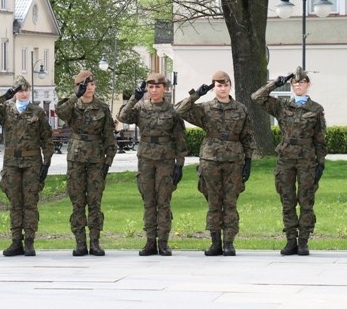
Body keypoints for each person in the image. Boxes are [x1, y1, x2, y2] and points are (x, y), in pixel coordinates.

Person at [175, 71, 255, 256]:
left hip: (234, 161)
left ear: (230, 86)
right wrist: (196, 95)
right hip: (210, 160)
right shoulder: (205, 108)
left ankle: (229, 242)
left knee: (230, 203)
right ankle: (215, 242)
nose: (223, 88)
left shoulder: (241, 109)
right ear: (214, 88)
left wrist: (248, 161)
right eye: (218, 85)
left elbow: (248, 136)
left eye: (225, 85)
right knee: (213, 202)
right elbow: (179, 110)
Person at [251, 67, 326, 256]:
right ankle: (291, 240)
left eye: (302, 82)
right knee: (287, 200)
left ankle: (303, 241)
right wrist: (276, 83)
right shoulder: (282, 106)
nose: (298, 85)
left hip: (307, 160)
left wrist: (321, 162)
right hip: (286, 159)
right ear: (291, 85)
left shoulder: (316, 109)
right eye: (295, 83)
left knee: (306, 200)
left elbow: (320, 139)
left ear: (308, 84)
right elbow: (257, 97)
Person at [0, 76, 54, 257]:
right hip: (12, 163)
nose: (23, 93)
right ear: (14, 93)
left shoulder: (37, 112)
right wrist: (4, 96)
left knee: (30, 202)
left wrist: (47, 162)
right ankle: (15, 240)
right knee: (14, 202)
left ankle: (29, 240)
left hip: (32, 163)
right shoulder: (6, 110)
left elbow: (46, 138)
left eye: (25, 90)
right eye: (19, 90)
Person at [117, 73, 188, 256]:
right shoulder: (140, 107)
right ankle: (150, 241)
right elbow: (123, 117)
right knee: (148, 201)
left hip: (165, 159)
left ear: (165, 88)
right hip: (146, 159)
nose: (154, 90)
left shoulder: (172, 111)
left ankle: (163, 242)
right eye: (151, 87)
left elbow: (180, 140)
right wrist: (135, 96)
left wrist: (179, 165)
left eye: (158, 87)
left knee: (163, 201)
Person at [56, 70, 116, 256]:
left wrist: (108, 161)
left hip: (96, 159)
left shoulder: (102, 107)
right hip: (76, 160)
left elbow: (109, 137)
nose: (90, 87)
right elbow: (60, 113)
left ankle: (95, 242)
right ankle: (80, 242)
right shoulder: (71, 105)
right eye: (85, 85)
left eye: (91, 84)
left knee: (95, 202)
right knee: (77, 202)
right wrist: (76, 96)